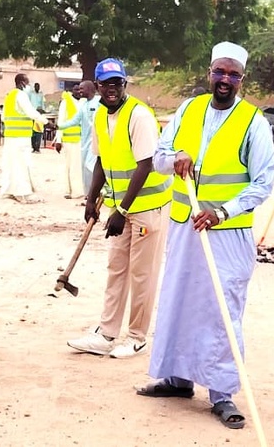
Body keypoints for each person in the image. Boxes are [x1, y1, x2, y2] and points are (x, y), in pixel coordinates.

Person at [137, 42, 274, 430]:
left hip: (227, 233)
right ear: (209, 72)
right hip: (185, 226)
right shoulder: (188, 109)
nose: (225, 80)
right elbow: (160, 157)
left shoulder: (253, 122)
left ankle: (222, 393)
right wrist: (177, 156)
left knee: (222, 311)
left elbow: (263, 182)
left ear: (242, 79)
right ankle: (178, 379)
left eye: (233, 74)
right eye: (220, 72)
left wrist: (222, 212)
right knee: (179, 299)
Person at [66, 58, 171, 359]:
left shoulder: (139, 116)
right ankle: (106, 333)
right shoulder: (100, 115)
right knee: (117, 268)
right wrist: (91, 197)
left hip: (147, 207)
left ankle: (137, 337)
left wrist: (122, 211)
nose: (111, 89)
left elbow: (146, 164)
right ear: (97, 86)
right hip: (119, 208)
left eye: (117, 83)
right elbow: (101, 160)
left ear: (125, 84)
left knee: (142, 274)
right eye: (106, 84)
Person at [0, 74, 48, 203]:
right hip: (21, 137)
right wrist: (44, 120)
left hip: (10, 136)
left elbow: (3, 117)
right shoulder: (21, 95)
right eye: (27, 82)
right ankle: (23, 192)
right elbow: (30, 111)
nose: (29, 85)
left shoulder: (10, 96)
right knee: (22, 164)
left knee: (11, 164)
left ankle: (9, 190)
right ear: (21, 83)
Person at [58, 80, 100, 195]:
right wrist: (58, 126)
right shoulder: (83, 105)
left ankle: (98, 194)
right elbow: (74, 121)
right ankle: (89, 195)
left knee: (92, 168)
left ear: (90, 89)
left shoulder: (99, 102)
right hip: (85, 143)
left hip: (97, 143)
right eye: (79, 89)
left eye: (82, 89)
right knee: (85, 169)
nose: (80, 91)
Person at [57, 84, 84, 198]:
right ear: (71, 91)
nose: (78, 92)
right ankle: (69, 191)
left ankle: (78, 190)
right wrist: (59, 140)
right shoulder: (65, 102)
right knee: (69, 166)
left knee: (78, 167)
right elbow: (60, 121)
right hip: (68, 140)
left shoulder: (83, 102)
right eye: (76, 90)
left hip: (81, 140)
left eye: (80, 90)